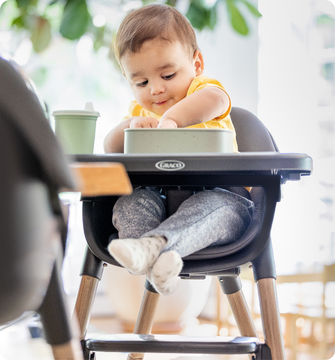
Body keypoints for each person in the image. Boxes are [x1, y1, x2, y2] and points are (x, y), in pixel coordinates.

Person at [104, 4, 254, 295]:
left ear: (196, 64)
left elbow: (216, 100)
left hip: (223, 200)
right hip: (158, 203)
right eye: (142, 82)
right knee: (130, 203)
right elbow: (110, 147)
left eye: (168, 75)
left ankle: (157, 245)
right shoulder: (139, 111)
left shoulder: (204, 90)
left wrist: (172, 120)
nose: (156, 90)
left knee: (216, 210)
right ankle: (147, 251)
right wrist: (131, 126)